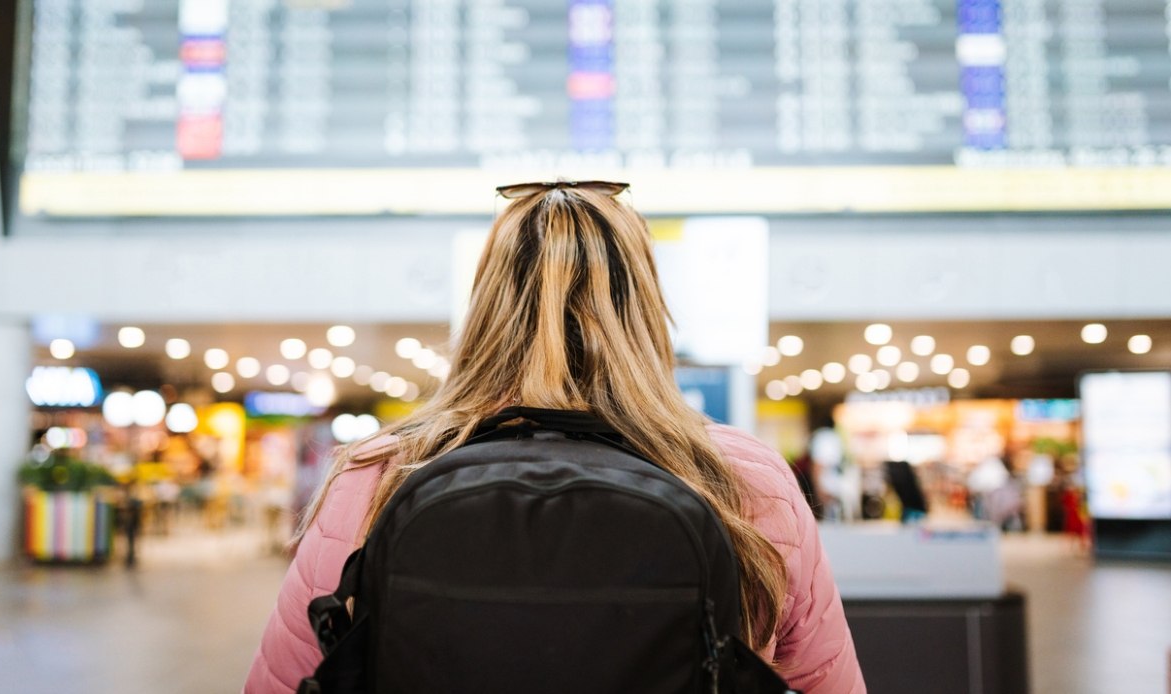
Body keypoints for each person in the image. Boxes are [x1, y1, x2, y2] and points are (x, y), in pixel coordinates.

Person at [244, 180, 865, 693]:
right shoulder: (739, 476)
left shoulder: (381, 472)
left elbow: (285, 682)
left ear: (485, 304)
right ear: (644, 308)